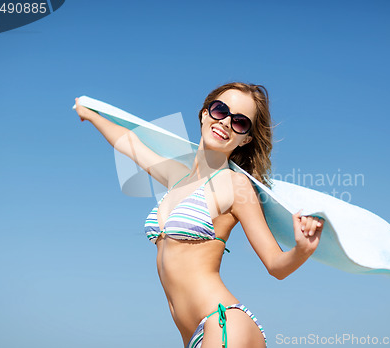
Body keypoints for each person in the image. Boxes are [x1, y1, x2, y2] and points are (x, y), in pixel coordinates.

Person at [74, 82, 324, 348]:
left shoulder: (236, 186)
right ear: (205, 113)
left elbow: (275, 265)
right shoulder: (176, 176)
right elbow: (129, 143)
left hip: (224, 323)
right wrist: (90, 114)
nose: (226, 122)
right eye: (220, 110)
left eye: (240, 122)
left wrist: (302, 249)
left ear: (246, 138)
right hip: (191, 335)